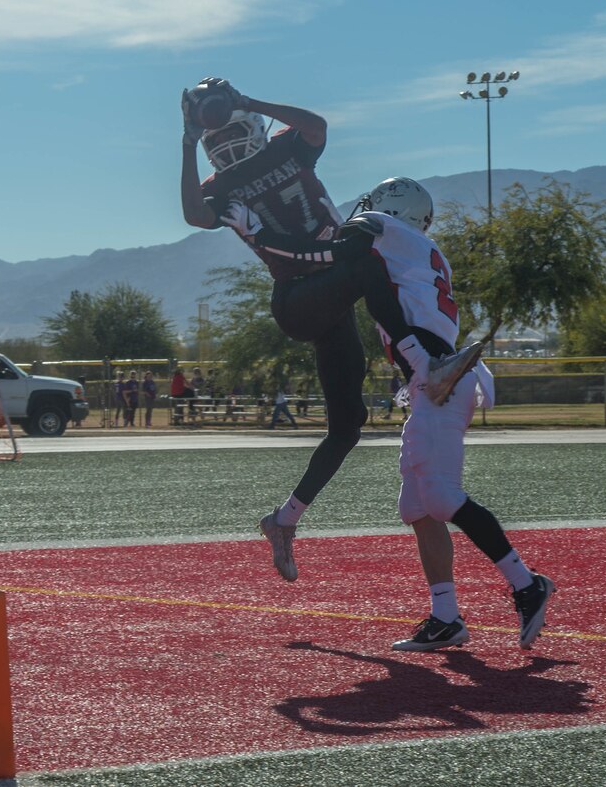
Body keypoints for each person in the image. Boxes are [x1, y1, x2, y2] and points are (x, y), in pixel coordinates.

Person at [179, 77, 480, 581]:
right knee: (364, 262)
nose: (223, 140)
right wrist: (187, 141)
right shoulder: (219, 187)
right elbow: (192, 214)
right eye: (212, 134)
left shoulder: (285, 149)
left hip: (328, 296)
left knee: (348, 425)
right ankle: (425, 366)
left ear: (251, 121)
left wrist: (248, 99)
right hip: (298, 297)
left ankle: (283, 520)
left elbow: (316, 126)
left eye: (229, 124)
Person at [262, 176, 554, 651]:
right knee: (418, 509)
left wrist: (264, 238)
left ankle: (527, 584)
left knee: (439, 498)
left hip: (440, 379)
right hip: (431, 382)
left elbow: (334, 254)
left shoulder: (382, 229)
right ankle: (446, 617)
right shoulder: (421, 249)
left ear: (389, 209)